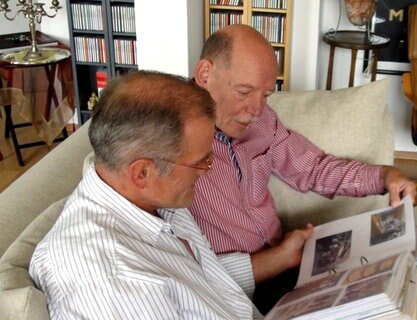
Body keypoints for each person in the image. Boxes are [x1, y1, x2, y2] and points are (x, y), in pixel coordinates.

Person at [185, 24, 417, 317]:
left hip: (296, 258)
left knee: (410, 264)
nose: (256, 109)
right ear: (205, 74)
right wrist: (277, 260)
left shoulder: (263, 121)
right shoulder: (168, 141)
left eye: (265, 95)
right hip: (243, 287)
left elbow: (313, 168)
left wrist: (383, 176)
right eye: (245, 91)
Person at [29, 71, 264, 319]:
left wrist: (284, 257)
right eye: (200, 161)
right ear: (142, 173)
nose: (209, 168)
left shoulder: (153, 199)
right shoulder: (114, 281)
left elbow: (199, 279)